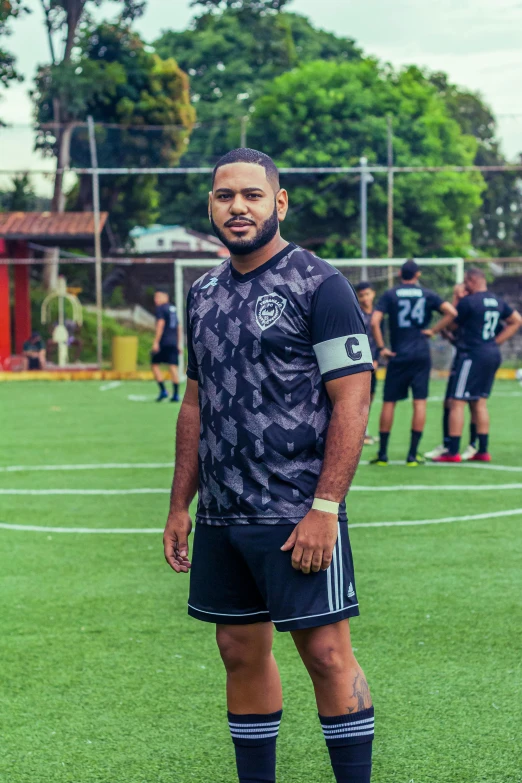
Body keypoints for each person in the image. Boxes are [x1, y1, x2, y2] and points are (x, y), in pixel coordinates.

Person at [163, 148, 375, 783]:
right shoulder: (202, 294)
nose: (239, 207)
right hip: (225, 514)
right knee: (238, 651)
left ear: (278, 203)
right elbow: (194, 407)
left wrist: (325, 509)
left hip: (296, 510)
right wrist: (180, 505)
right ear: (211, 205)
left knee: (327, 654)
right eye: (226, 196)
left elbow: (354, 398)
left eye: (253, 196)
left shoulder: (321, 284)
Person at [370, 260, 457, 466]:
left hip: (397, 355)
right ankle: (412, 455)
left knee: (389, 402)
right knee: (420, 402)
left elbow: (374, 321)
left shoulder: (390, 294)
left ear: (400, 273)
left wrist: (382, 348)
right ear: (417, 275)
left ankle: (382, 454)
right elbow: (451, 312)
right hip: (420, 354)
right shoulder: (427, 294)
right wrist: (433, 331)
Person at [432, 267, 522, 462]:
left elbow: (451, 324)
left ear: (472, 281)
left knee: (457, 401)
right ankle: (482, 449)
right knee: (479, 402)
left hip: (472, 355)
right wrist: (496, 341)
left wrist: (456, 297)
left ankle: (452, 452)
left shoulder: (468, 302)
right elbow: (516, 320)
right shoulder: (496, 301)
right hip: (492, 354)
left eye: (466, 282)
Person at [425, 283, 478, 461]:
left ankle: (467, 446)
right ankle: (449, 444)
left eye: (462, 291)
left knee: (465, 402)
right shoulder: (464, 307)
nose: (460, 295)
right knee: (450, 402)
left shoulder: (470, 306)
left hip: (470, 358)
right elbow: (451, 328)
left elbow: (452, 322)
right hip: (462, 357)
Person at [355, 281, 380, 445]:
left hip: (374, 363)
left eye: (368, 294)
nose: (365, 298)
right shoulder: (356, 314)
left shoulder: (378, 315)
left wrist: (377, 359)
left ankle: (364, 430)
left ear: (373, 294)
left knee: (369, 398)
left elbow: (379, 339)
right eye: (361, 295)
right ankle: (357, 433)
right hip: (360, 363)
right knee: (358, 399)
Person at [151, 287, 182, 402]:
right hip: (173, 342)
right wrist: (179, 343)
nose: (156, 299)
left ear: (166, 297)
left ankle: (163, 390)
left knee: (154, 364)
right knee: (173, 367)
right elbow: (179, 327)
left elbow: (160, 324)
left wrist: (156, 342)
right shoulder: (173, 309)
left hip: (164, 341)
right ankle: (176, 395)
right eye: (155, 297)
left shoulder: (160, 308)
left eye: (158, 297)